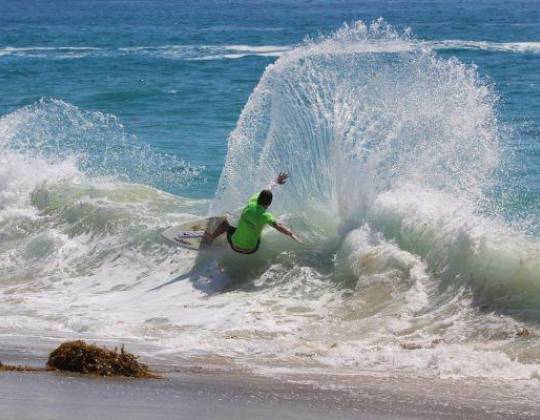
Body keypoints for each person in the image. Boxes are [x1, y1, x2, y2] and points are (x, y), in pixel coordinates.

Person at [204, 172, 301, 254]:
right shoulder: (267, 216)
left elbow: (268, 187)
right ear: (269, 204)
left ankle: (211, 237)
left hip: (234, 246)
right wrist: (291, 234)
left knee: (227, 222)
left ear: (257, 198)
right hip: (252, 249)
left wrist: (276, 181)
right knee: (262, 225)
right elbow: (278, 226)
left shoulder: (251, 202)